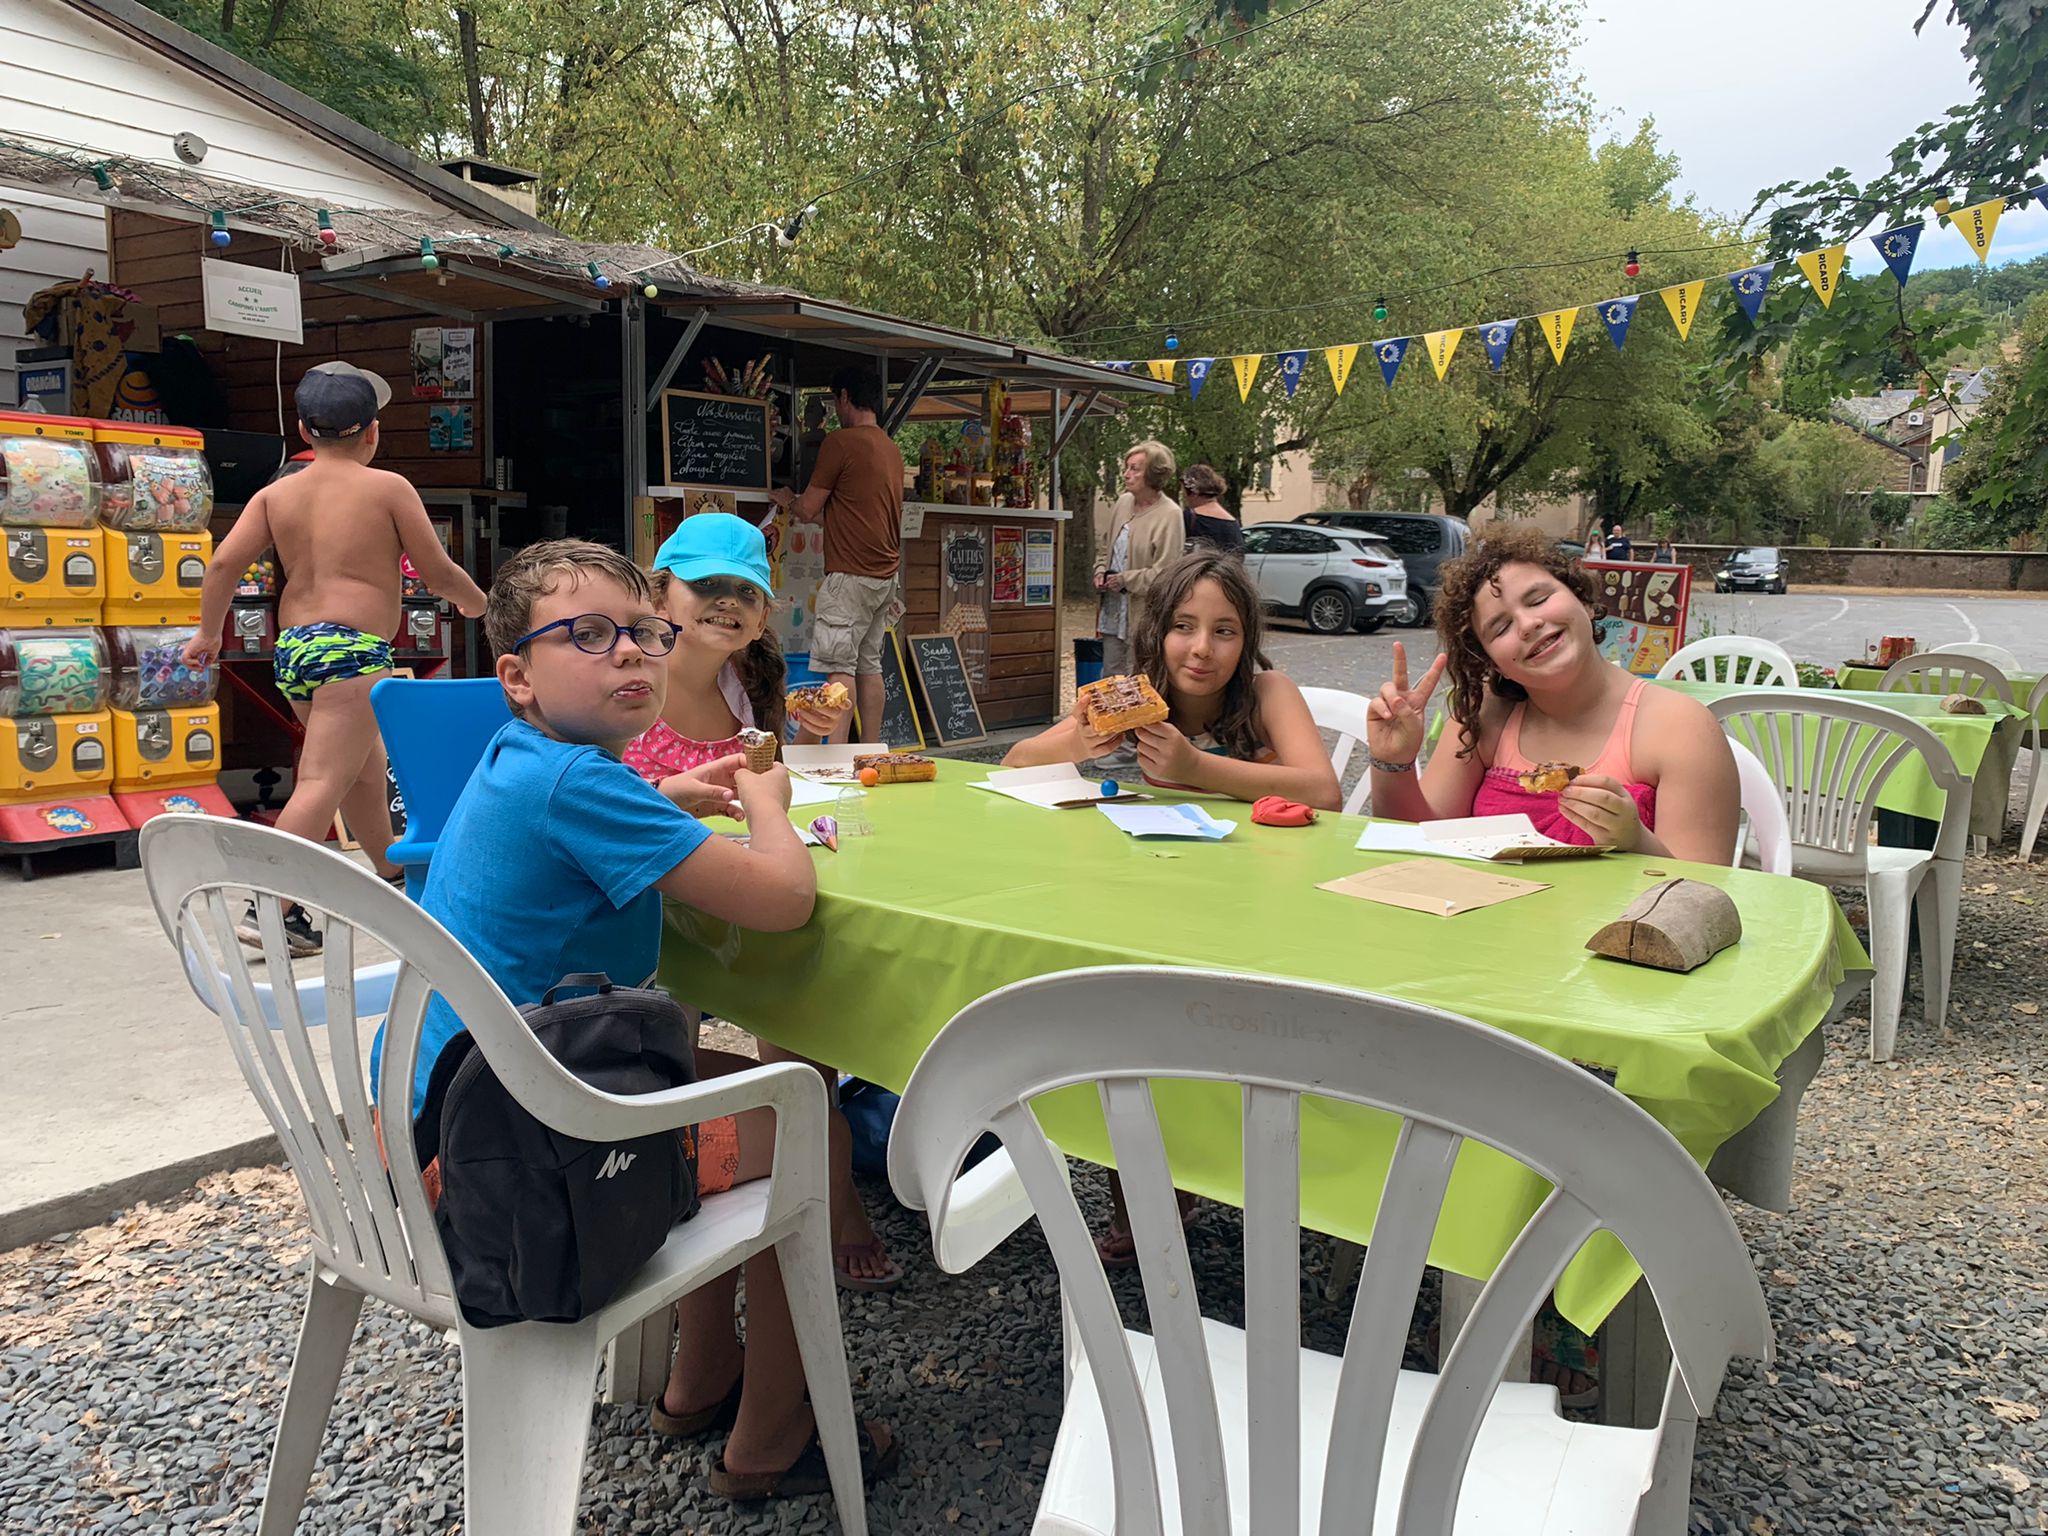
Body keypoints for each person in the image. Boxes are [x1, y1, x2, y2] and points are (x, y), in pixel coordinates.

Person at [378, 538, 895, 1499]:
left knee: (721, 1084)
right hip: (510, 1166)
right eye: (587, 634)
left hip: (445, 1122)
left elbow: (586, 820)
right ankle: (772, 1432)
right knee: (806, 1117)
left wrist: (667, 797)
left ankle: (702, 1374)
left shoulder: (528, 761)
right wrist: (767, 803)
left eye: (643, 633)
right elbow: (784, 899)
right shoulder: (584, 785)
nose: (629, 651)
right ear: (517, 676)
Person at [624, 514, 900, 1291]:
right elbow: (604, 797)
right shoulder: (629, 684)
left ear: (765, 612)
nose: (726, 601)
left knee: (796, 989)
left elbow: (784, 792)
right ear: (660, 594)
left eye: (744, 592)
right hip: (648, 913)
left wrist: (819, 739)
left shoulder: (751, 684)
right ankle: (738, 1174)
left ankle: (823, 1176)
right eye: (706, 585)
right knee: (697, 1011)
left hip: (731, 891)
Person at [186, 362, 487, 955]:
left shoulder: (275, 494)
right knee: (323, 780)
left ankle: (393, 874)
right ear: (373, 432)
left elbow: (222, 564)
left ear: (303, 431)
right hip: (352, 652)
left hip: (297, 650)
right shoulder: (388, 488)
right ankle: (269, 908)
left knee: (363, 769)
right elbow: (435, 571)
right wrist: (480, 603)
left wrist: (208, 634)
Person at [1364, 522, 1737, 865]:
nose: (1528, 624)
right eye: (1501, 628)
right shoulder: (1484, 716)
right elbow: (1419, 842)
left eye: (1538, 599)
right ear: (1491, 661)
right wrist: (1393, 762)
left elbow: (1704, 891)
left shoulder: (1681, 728)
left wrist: (1635, 840)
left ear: (1584, 601)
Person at [1007, 549, 1340, 809]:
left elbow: (1325, 794)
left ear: (1246, 642)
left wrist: (1194, 766)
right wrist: (1078, 744)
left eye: (1224, 631)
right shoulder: (1135, 699)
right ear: (1157, 634)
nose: (1202, 648)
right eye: (1183, 626)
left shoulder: (1267, 693)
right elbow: (1014, 764)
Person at [768, 366, 903, 744]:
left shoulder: (841, 442)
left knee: (838, 670)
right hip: (884, 577)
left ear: (844, 397)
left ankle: (837, 757)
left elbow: (808, 508)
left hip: (848, 577)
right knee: (869, 666)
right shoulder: (890, 448)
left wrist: (788, 500)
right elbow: (845, 513)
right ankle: (871, 749)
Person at [1179, 464, 1245, 556]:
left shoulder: (1188, 518)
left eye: (1184, 493)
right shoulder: (1232, 523)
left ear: (1194, 493)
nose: (1185, 498)